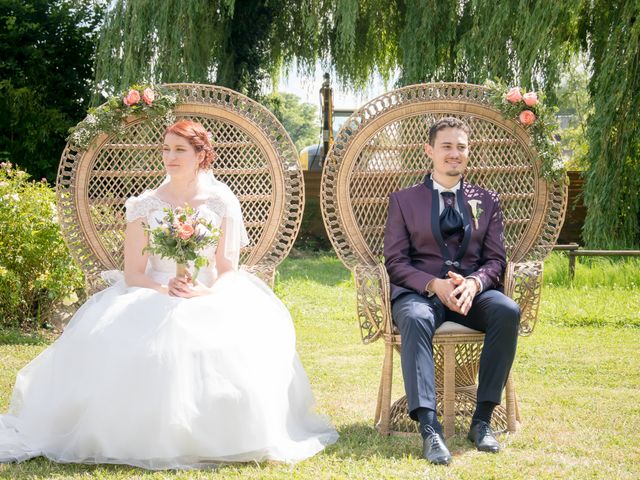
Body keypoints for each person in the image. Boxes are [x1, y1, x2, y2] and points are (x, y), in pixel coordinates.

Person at [0, 120, 338, 469]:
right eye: (165, 149)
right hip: (151, 290)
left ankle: (219, 433)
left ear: (201, 155)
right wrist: (165, 289)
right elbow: (133, 273)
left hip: (207, 291)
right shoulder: (145, 205)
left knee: (224, 340)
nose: (170, 156)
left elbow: (227, 269)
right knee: (131, 344)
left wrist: (204, 292)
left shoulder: (221, 202)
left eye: (179, 149)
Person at [383, 117, 520, 465]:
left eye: (461, 147)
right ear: (429, 150)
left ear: (468, 152)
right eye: (446, 146)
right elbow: (395, 261)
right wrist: (432, 284)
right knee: (413, 318)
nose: (454, 154)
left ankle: (483, 420)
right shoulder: (403, 200)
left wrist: (474, 283)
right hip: (422, 292)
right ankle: (429, 428)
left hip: (470, 293)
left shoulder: (486, 200)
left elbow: (495, 259)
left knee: (507, 311)